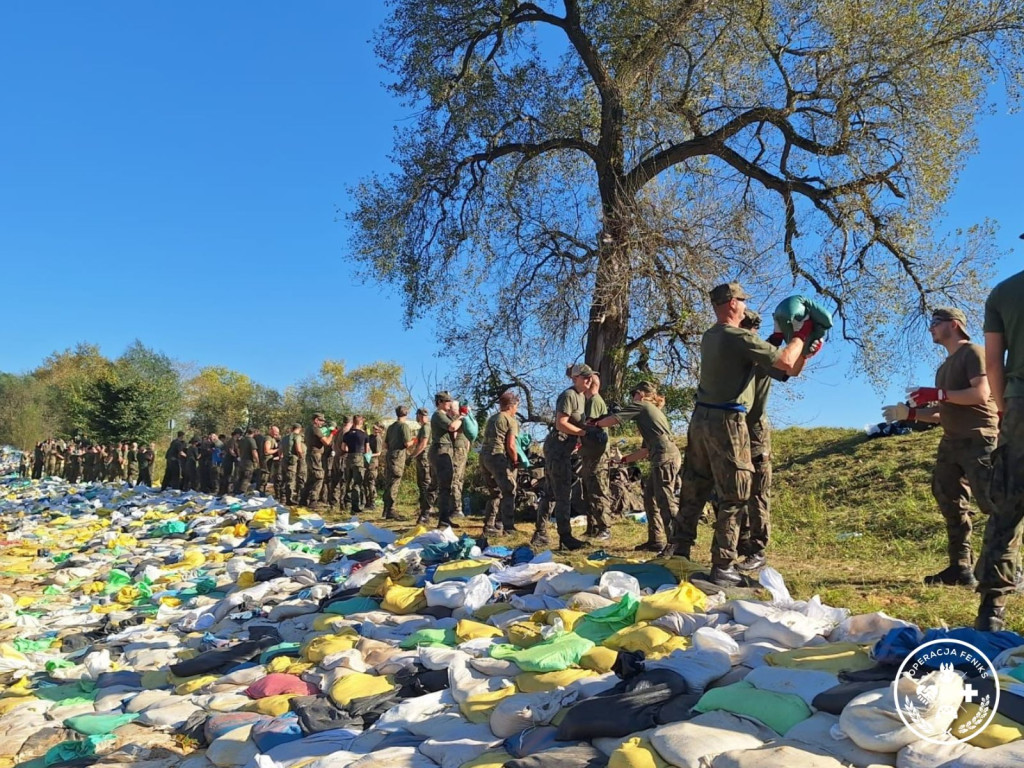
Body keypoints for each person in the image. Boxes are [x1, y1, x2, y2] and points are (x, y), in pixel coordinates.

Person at [666, 282, 814, 587]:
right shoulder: (736, 337)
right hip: (728, 421)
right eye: (743, 303)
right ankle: (723, 566)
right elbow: (785, 362)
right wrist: (801, 334)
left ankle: (679, 549)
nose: (745, 307)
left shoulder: (712, 336)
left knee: (695, 485)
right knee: (736, 493)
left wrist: (800, 349)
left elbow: (785, 367)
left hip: (702, 418)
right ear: (732, 304)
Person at [883, 307, 999, 587]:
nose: (931, 327)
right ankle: (961, 568)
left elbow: (980, 393)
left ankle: (1006, 569)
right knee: (951, 504)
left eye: (936, 322)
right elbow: (943, 413)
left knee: (995, 504)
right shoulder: (943, 368)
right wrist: (909, 415)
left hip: (979, 439)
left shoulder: (973, 352)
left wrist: (936, 394)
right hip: (951, 442)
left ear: (955, 325)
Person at [975, 264, 1024, 631]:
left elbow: (994, 362)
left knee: (1008, 501)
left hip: (1019, 402)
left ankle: (992, 608)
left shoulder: (1003, 292)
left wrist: (1005, 405)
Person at [594, 381, 679, 550]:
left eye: (633, 394)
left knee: (666, 501)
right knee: (650, 498)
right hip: (663, 454)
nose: (632, 398)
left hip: (664, 456)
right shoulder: (651, 416)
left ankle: (676, 544)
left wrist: (595, 423)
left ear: (640, 394)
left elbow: (613, 420)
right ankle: (656, 541)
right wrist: (623, 460)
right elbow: (644, 451)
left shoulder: (642, 405)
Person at [539, 364, 593, 551]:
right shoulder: (569, 396)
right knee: (562, 493)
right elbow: (561, 423)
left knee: (551, 492)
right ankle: (565, 537)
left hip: (566, 448)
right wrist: (583, 433)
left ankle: (540, 532)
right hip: (558, 448)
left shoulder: (581, 397)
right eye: (585, 377)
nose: (589, 380)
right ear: (575, 378)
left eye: (590, 377)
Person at [480, 391, 520, 536]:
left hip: (484, 456)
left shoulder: (492, 418)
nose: (517, 410)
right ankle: (508, 526)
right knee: (509, 490)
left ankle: (489, 525)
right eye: (516, 406)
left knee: (494, 492)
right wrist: (515, 460)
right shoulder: (510, 420)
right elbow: (510, 445)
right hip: (497, 457)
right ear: (512, 405)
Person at [581, 373, 612, 540]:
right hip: (590, 451)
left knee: (598, 489)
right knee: (589, 489)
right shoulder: (590, 401)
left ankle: (604, 528)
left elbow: (589, 426)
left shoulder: (594, 401)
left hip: (597, 453)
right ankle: (592, 527)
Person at [429, 392, 463, 528]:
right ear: (440, 402)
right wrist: (462, 417)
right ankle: (442, 519)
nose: (449, 403)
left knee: (445, 486)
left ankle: (444, 518)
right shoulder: (438, 415)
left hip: (444, 449)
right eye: (447, 401)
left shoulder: (444, 416)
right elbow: (453, 427)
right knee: (444, 487)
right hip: (441, 451)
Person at [382, 406, 417, 520]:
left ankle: (386, 509)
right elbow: (407, 443)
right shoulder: (404, 426)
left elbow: (385, 445)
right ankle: (391, 510)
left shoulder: (391, 427)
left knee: (389, 481)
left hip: (390, 454)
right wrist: (415, 440)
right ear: (406, 413)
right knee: (395, 481)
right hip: (398, 455)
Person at [300, 414, 334, 508]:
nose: (322, 423)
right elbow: (326, 442)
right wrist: (332, 433)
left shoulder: (308, 429)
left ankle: (303, 499)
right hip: (315, 454)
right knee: (319, 476)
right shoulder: (315, 429)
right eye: (321, 421)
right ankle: (313, 500)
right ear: (316, 420)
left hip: (311, 454)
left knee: (311, 477)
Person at [412, 408, 436, 524]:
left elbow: (423, 444)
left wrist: (412, 455)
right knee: (421, 484)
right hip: (422, 458)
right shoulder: (423, 427)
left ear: (420, 416)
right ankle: (423, 509)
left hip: (424, 458)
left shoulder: (426, 427)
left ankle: (427, 511)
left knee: (425, 483)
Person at [342, 415, 371, 513]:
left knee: (348, 481)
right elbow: (367, 450)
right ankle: (356, 505)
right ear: (361, 423)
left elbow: (343, 448)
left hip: (349, 457)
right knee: (358, 482)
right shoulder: (363, 434)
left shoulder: (347, 434)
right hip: (359, 457)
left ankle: (346, 503)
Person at [363, 423, 384, 510]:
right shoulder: (370, 436)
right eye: (373, 428)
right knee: (365, 482)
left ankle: (372, 501)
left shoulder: (378, 439)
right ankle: (367, 500)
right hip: (366, 462)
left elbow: (378, 453)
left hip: (373, 461)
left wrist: (369, 455)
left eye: (376, 428)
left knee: (371, 481)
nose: (374, 429)